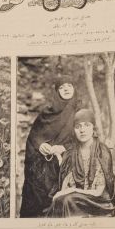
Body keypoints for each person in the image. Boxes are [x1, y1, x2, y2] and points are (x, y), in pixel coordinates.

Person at [20, 76, 79, 218]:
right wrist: (40, 145)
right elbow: (33, 136)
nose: (66, 89)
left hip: (67, 165)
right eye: (61, 87)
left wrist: (63, 148)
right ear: (57, 92)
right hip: (42, 170)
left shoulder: (79, 113)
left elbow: (85, 139)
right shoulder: (46, 113)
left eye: (69, 86)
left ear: (74, 89)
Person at [46, 109, 115, 217]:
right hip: (77, 198)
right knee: (59, 201)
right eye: (78, 126)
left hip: (99, 201)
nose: (82, 130)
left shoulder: (102, 151)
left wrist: (72, 190)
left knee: (67, 200)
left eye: (87, 125)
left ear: (93, 128)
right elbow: (64, 186)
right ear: (74, 130)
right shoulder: (71, 152)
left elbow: (98, 192)